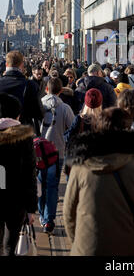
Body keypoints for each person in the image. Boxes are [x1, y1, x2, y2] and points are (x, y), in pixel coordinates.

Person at [63, 107, 134, 256]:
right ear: (128, 130)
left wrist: (79, 242)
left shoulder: (80, 167)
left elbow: (68, 213)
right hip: (129, 247)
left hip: (87, 248)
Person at [0, 93, 37, 256]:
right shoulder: (25, 138)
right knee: (10, 246)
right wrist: (31, 208)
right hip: (17, 199)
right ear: (18, 114)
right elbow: (30, 174)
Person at [39, 78, 75, 233]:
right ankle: (49, 219)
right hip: (57, 151)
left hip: (39, 151)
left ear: (47, 89)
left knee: (41, 184)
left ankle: (42, 215)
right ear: (61, 90)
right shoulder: (65, 108)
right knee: (52, 186)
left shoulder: (39, 103)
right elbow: (72, 127)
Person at [0, 51, 44, 127]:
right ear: (22, 65)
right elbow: (38, 112)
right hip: (23, 131)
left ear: (6, 64)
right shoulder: (30, 85)